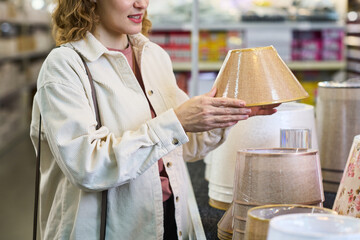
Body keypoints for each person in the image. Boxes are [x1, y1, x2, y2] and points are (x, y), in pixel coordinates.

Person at [30, 0, 279, 239]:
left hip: (169, 219)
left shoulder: (153, 56)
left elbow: (185, 147)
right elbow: (87, 166)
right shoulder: (64, 67)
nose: (142, 4)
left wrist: (225, 113)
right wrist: (177, 122)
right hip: (109, 229)